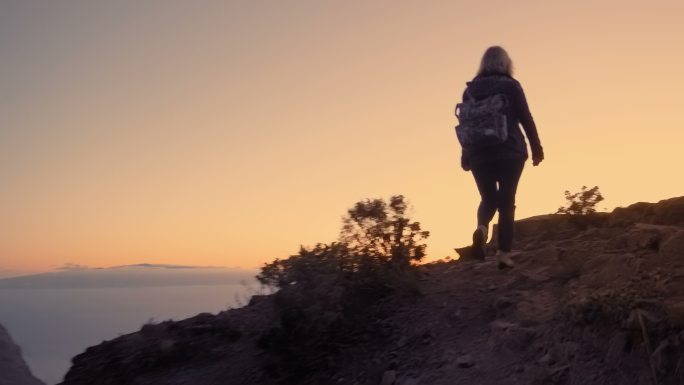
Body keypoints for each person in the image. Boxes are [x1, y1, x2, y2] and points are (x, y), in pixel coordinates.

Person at [459, 46, 544, 269]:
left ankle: (482, 229)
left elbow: (467, 125)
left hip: (479, 154)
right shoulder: (511, 86)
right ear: (507, 63)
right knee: (507, 203)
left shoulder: (470, 91)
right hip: (510, 152)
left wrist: (466, 155)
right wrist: (537, 149)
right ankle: (504, 255)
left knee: (488, 198)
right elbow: (526, 118)